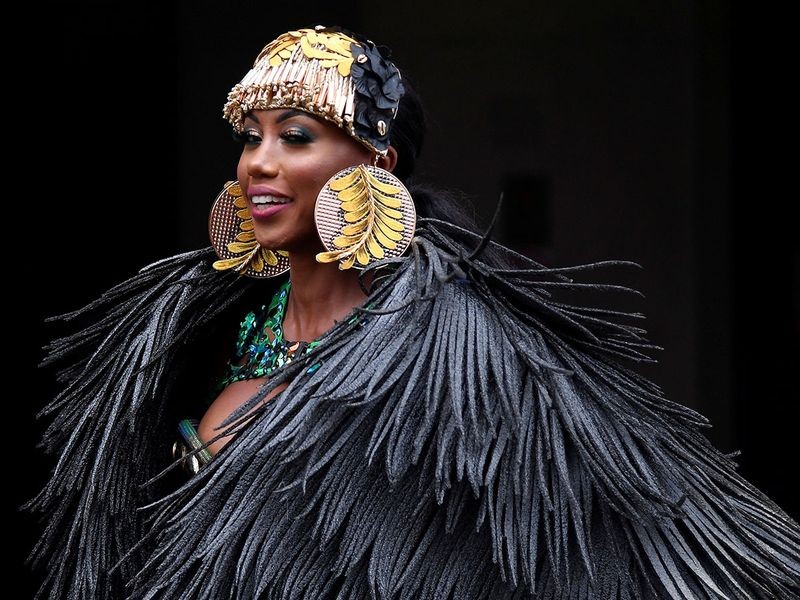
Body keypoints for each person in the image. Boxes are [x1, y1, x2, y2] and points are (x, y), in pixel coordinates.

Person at [29, 24, 800, 599]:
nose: (258, 161)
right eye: (251, 136)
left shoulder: (455, 356)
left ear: (376, 162)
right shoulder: (196, 334)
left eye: (296, 136)